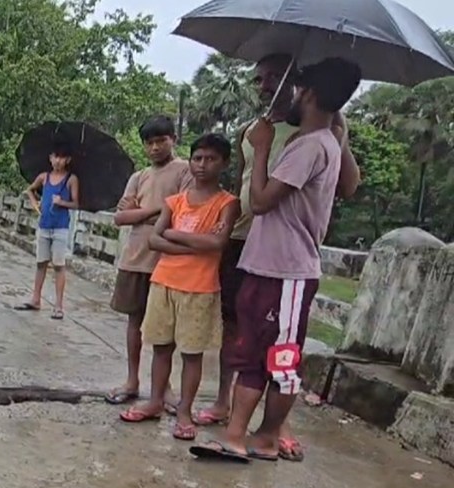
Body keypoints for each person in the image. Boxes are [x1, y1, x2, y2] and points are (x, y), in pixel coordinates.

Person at [192, 57, 363, 463]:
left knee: (280, 360)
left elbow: (263, 200)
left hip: (287, 270)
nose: (288, 90)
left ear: (310, 94)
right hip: (266, 263)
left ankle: (262, 435)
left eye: (297, 86)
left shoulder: (313, 145)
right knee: (252, 351)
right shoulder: (313, 141)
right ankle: (240, 434)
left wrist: (265, 148)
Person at [120, 134, 239, 440]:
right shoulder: (175, 202)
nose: (202, 165)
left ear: (224, 163)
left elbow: (218, 242)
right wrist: (195, 246)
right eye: (197, 158)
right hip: (163, 282)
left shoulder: (227, 204)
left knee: (191, 354)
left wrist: (176, 237)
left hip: (199, 288)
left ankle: (184, 411)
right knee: (161, 348)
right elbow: (155, 239)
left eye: (210, 159)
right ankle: (156, 400)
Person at [106, 115, 193, 410]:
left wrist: (142, 212)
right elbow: (120, 217)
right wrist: (159, 210)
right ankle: (132, 380)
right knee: (134, 323)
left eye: (161, 141)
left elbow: (184, 213)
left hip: (166, 260)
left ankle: (163, 387)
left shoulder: (185, 171)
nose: (155, 147)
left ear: (173, 140)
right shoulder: (139, 176)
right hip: (135, 259)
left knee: (163, 329)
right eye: (150, 142)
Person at [15, 145, 79, 319]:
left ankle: (58, 305)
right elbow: (29, 189)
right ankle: (36, 298)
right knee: (41, 263)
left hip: (60, 227)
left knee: (59, 265)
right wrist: (36, 204)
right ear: (50, 158)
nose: (58, 161)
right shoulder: (44, 177)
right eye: (55, 157)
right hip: (44, 225)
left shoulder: (71, 179)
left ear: (68, 160)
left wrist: (62, 202)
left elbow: (76, 203)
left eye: (62, 157)